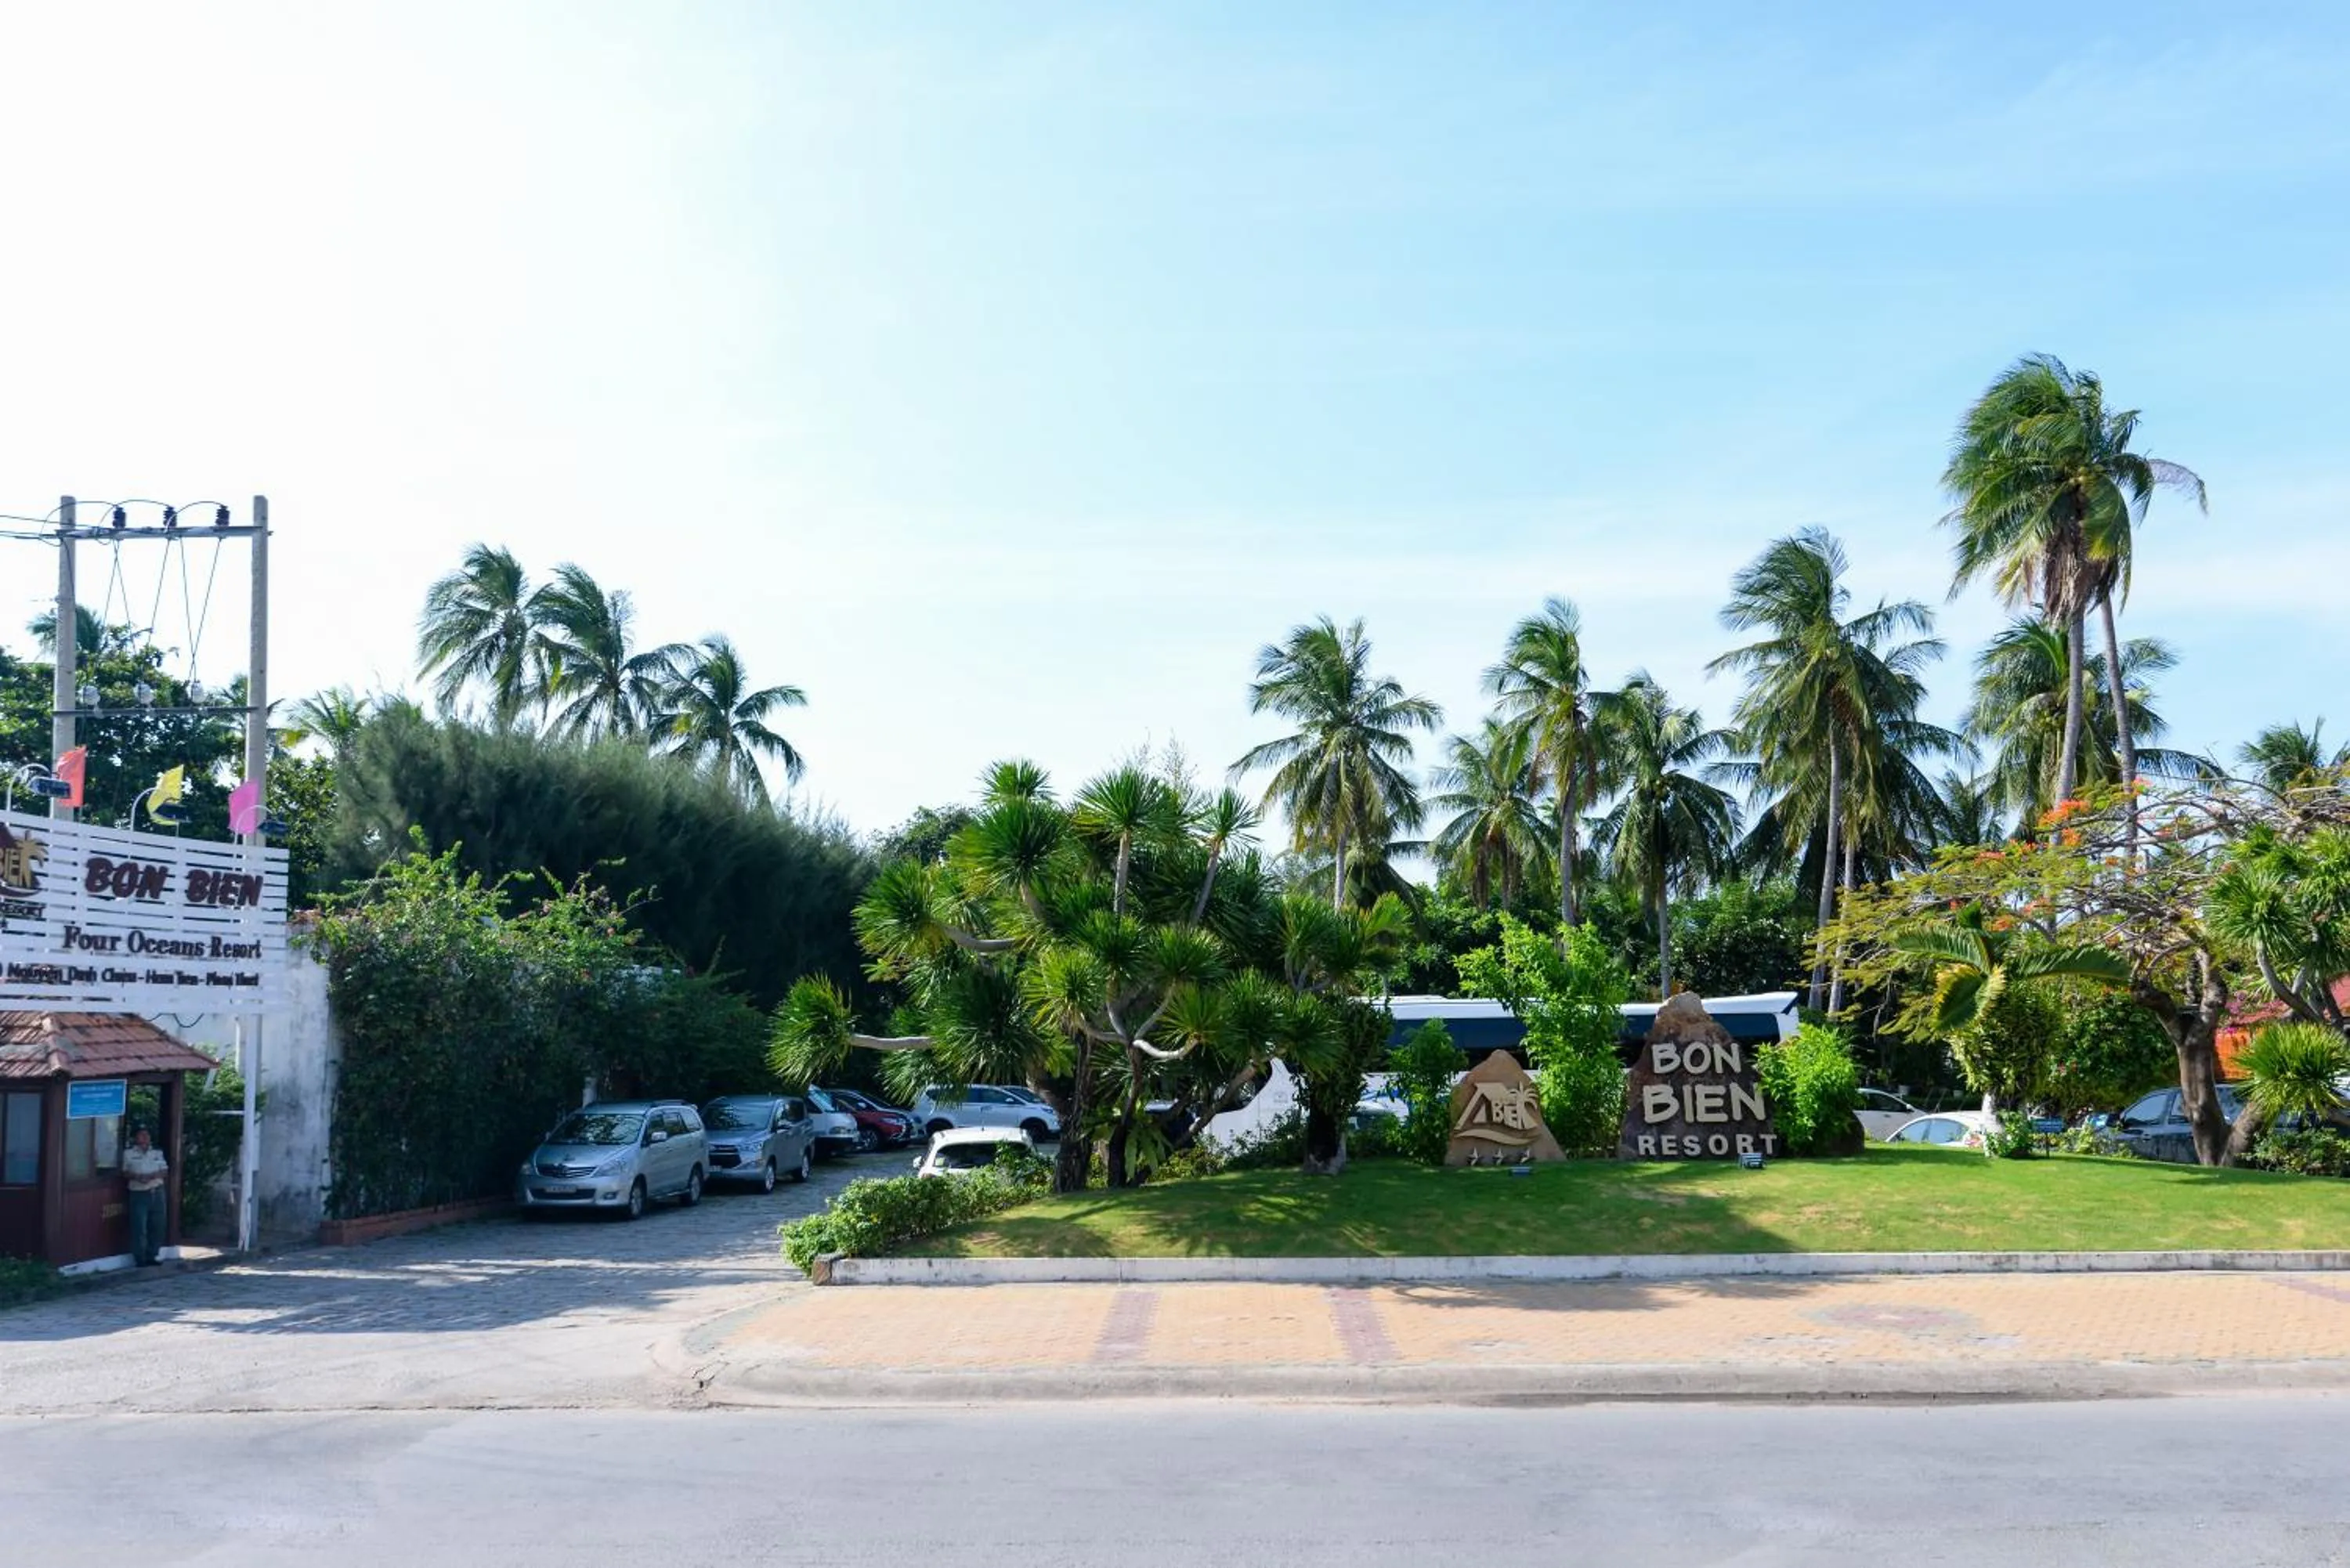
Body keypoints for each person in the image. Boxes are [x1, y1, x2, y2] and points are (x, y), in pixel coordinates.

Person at [123, 1125, 169, 1267]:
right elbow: (125, 1172)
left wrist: (152, 1176)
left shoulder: (156, 1153)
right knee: (139, 1227)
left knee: (158, 1225)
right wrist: (137, 1176)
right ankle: (140, 1257)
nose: (144, 1138)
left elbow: (164, 1171)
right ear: (136, 1138)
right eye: (141, 1135)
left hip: (156, 1191)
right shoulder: (128, 1154)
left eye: (147, 1135)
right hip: (139, 1192)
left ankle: (152, 1255)